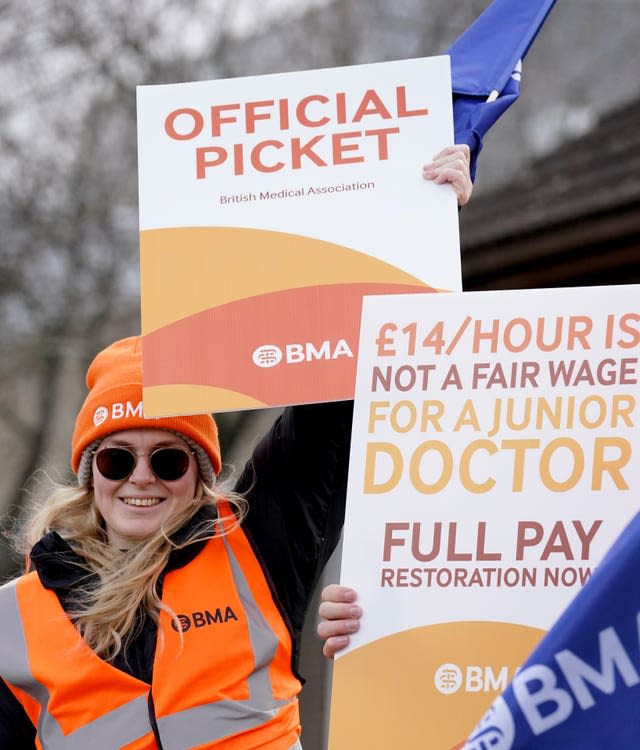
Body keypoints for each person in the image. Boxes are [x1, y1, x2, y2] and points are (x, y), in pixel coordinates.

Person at [0, 145, 471, 750]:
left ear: (199, 473)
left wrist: (423, 219)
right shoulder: (14, 619)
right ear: (91, 476)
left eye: (168, 459)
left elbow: (343, 382)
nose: (140, 478)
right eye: (117, 459)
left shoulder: (257, 544)